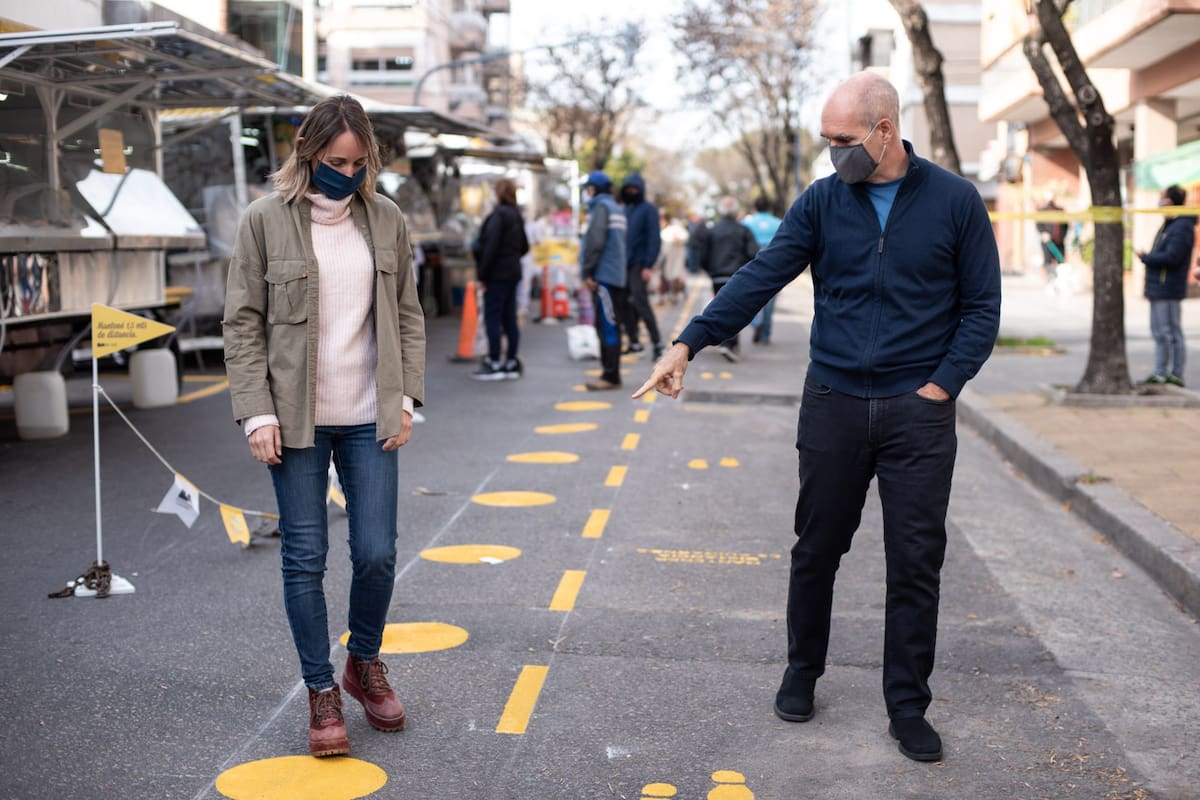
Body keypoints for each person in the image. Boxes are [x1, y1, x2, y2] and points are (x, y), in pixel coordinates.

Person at [634, 72, 1001, 763]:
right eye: (825, 140)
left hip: (918, 413)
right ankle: (802, 672)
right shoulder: (824, 201)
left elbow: (981, 306)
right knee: (816, 550)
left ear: (884, 131)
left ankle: (908, 705)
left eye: (841, 140)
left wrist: (943, 386)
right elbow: (761, 274)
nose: (832, 153)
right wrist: (688, 342)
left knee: (916, 561)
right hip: (833, 402)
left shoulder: (955, 200)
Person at [223, 95, 426, 758]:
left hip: (370, 414)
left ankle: (362, 662)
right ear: (308, 153)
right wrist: (255, 411)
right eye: (334, 160)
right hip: (295, 419)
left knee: (376, 552)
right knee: (304, 557)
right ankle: (321, 691)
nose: (345, 172)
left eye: (356, 161)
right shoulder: (263, 221)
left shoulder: (387, 220)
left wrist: (407, 399)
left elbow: (407, 316)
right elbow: (242, 323)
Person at [471, 178, 530, 380]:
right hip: (512, 273)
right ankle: (511, 361)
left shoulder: (498, 216)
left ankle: (494, 361)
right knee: (509, 319)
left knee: (493, 318)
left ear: (498, 193)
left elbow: (490, 247)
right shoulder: (516, 215)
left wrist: (482, 275)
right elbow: (524, 246)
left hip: (496, 274)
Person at [1137, 184, 1196, 387]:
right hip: (1158, 287)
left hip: (1168, 288)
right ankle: (1161, 373)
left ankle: (1175, 375)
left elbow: (1173, 257)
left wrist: (1147, 258)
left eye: (1162, 198)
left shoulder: (1181, 227)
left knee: (1170, 333)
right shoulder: (1169, 225)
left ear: (1170, 201)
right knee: (1159, 333)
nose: (1159, 202)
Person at [579, 170, 628, 390]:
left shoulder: (601, 208)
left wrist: (587, 272)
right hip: (615, 276)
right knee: (611, 324)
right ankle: (610, 373)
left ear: (592, 189)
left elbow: (595, 242)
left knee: (607, 326)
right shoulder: (616, 208)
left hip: (604, 278)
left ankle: (610, 375)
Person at [701, 195, 759, 361]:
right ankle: (729, 343)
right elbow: (753, 253)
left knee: (721, 307)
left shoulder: (712, 230)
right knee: (735, 309)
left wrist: (711, 270)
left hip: (717, 276)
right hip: (737, 275)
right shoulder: (743, 230)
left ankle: (727, 343)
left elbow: (703, 255)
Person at [619, 172, 664, 359]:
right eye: (628, 188)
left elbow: (654, 238)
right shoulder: (625, 209)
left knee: (640, 302)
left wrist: (648, 265)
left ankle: (657, 342)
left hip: (639, 263)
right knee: (623, 302)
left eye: (634, 188)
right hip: (624, 264)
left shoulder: (649, 209)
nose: (631, 191)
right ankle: (634, 340)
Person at [743, 195, 784, 344]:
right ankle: (766, 334)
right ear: (769, 207)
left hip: (752, 260)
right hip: (774, 260)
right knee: (770, 299)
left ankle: (756, 321)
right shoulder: (778, 222)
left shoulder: (747, 222)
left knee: (749, 297)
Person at [656, 211, 689, 305]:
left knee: (675, 278)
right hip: (662, 258)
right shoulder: (658, 228)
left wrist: (677, 238)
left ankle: (675, 296)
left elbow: (685, 236)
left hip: (675, 258)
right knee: (662, 278)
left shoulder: (675, 228)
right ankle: (661, 297)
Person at [1036, 194, 1067, 288]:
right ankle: (1050, 281)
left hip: (1059, 241)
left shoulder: (1060, 211)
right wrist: (1043, 233)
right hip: (1047, 241)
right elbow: (1038, 224)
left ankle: (1059, 281)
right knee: (1048, 261)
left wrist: (1062, 236)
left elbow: (1065, 225)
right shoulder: (1042, 211)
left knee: (1061, 261)